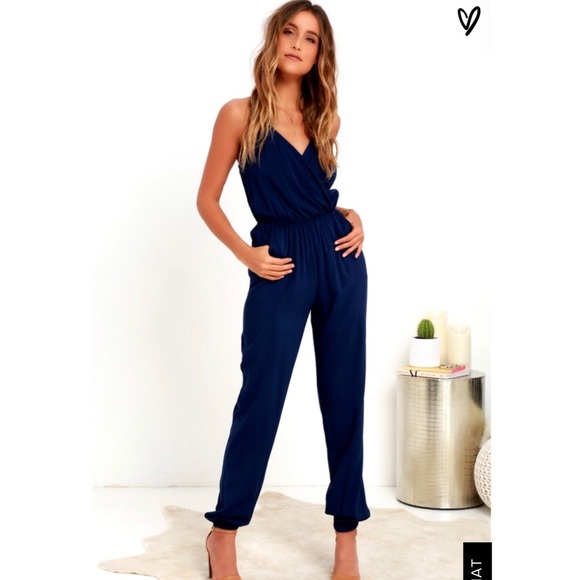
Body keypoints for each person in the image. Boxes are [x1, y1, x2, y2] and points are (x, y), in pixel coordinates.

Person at [196, 2, 370, 578]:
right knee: (262, 396)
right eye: (289, 32)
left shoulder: (325, 119)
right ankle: (223, 532)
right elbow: (207, 200)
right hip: (278, 264)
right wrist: (246, 254)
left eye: (311, 38)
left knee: (344, 397)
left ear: (321, 54)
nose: (298, 43)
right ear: (274, 40)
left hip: (340, 261)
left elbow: (319, 201)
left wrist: (352, 217)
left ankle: (347, 539)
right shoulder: (239, 114)